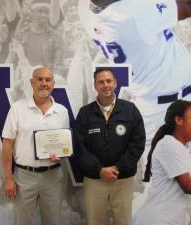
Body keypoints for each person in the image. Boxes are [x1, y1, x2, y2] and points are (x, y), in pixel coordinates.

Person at [78, 0, 191, 143]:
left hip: (152, 105)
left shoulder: (85, 9)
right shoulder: (130, 14)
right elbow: (186, 6)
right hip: (164, 109)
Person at [74, 68, 146, 225]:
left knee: (123, 221)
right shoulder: (85, 113)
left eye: (109, 81)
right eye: (101, 82)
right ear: (95, 85)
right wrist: (99, 169)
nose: (105, 85)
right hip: (95, 179)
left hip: (122, 178)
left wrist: (118, 167)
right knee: (95, 221)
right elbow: (79, 147)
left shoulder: (130, 110)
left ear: (115, 83)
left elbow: (138, 142)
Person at [1, 67, 70, 225]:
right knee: (22, 222)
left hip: (53, 176)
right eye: (39, 79)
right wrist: (8, 177)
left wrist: (60, 154)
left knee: (53, 221)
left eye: (48, 80)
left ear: (53, 83)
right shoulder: (17, 109)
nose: (44, 83)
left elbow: (63, 143)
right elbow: (7, 144)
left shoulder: (62, 111)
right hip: (24, 176)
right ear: (32, 82)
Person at [133, 100, 191, 225]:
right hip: (158, 219)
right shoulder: (169, 145)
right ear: (179, 120)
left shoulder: (182, 147)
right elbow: (188, 186)